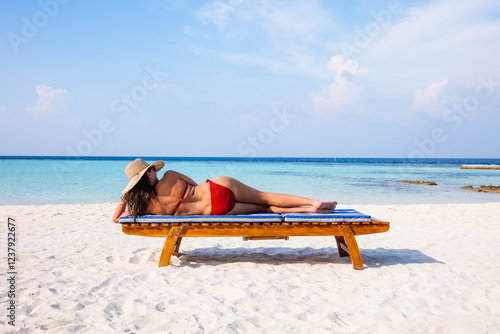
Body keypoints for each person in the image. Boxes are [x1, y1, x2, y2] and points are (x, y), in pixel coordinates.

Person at [113, 158, 337, 223]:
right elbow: (194, 183)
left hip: (218, 210)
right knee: (265, 196)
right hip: (217, 187)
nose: (154, 170)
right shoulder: (170, 175)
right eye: (151, 169)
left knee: (266, 208)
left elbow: (116, 218)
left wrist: (125, 197)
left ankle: (308, 211)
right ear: (148, 175)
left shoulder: (148, 207)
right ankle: (312, 201)